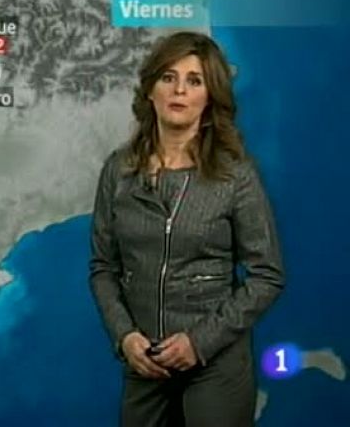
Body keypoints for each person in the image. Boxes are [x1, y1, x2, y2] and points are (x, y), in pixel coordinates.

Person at [88, 31, 285, 427]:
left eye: (194, 81)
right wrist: (125, 337)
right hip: (145, 362)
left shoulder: (235, 175)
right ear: (150, 90)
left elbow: (267, 275)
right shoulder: (118, 170)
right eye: (168, 77)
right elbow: (103, 268)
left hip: (215, 364)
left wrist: (199, 342)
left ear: (209, 97)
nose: (179, 90)